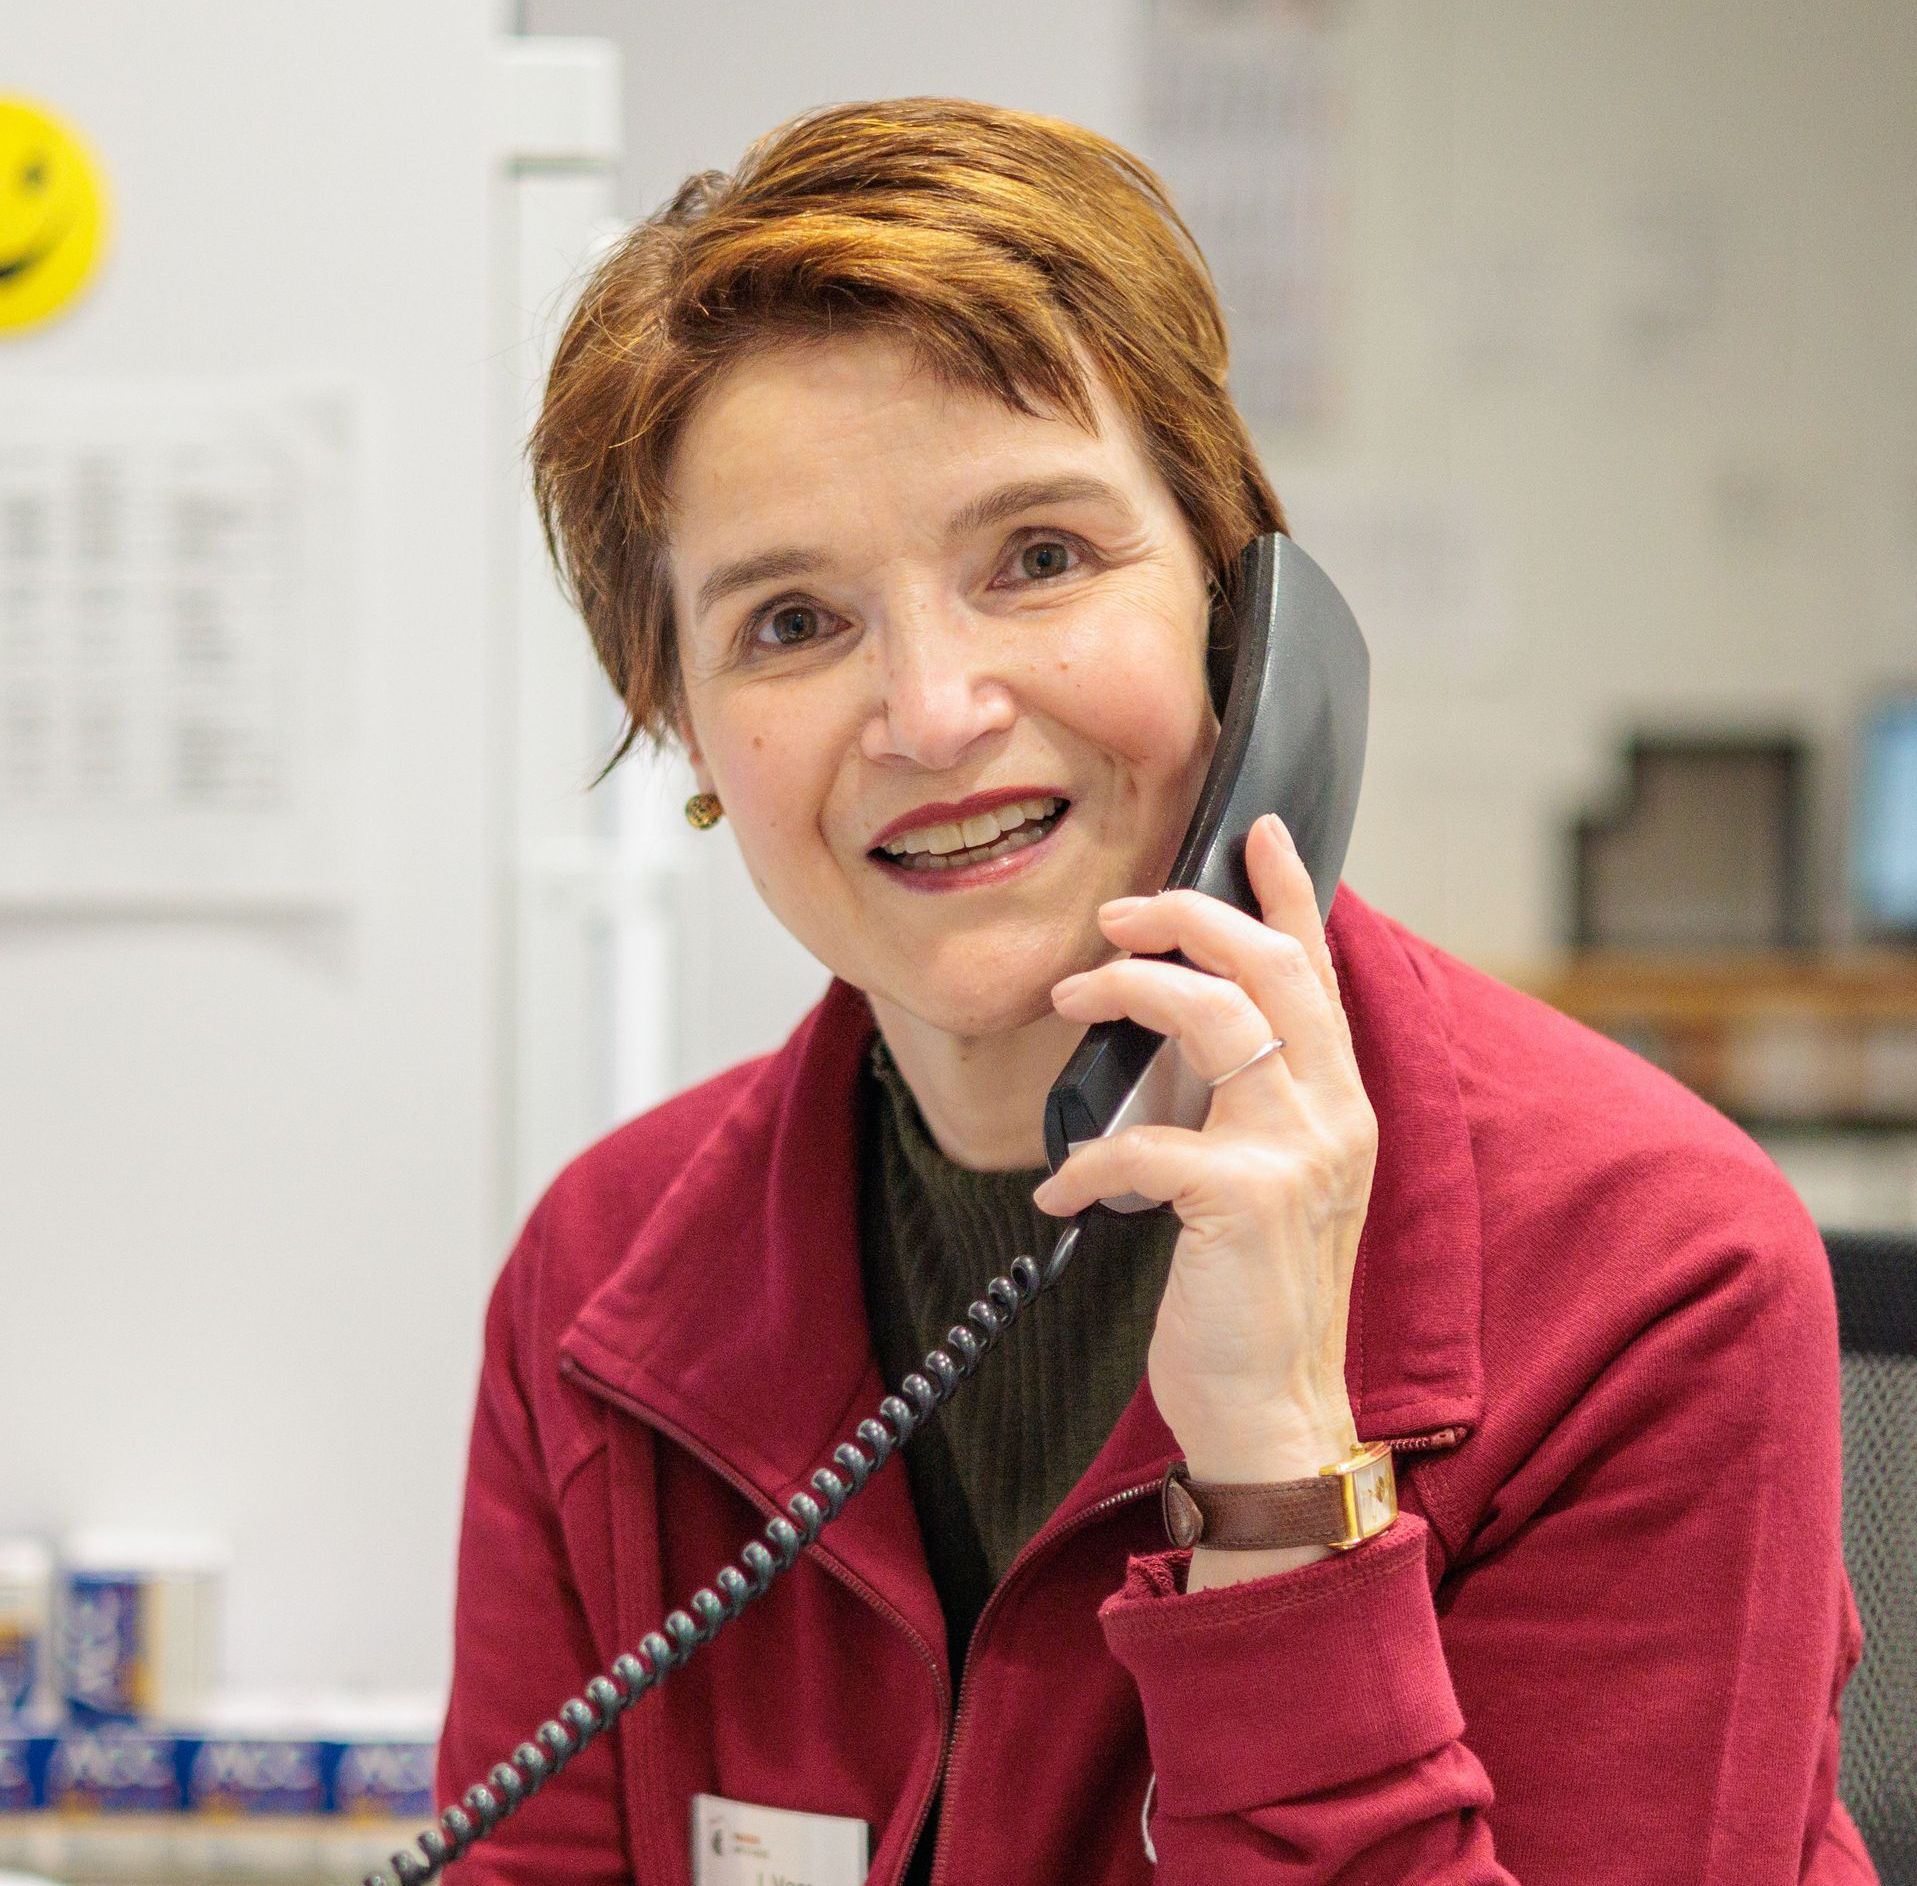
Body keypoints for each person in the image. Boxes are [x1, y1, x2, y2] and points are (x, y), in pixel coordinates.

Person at [432, 99, 1875, 1884]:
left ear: (1238, 611)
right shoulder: (607, 1289)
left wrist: (1280, 1487)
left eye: (1038, 558)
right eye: (791, 623)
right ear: (687, 728)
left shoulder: (1647, 1265)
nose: (934, 713)